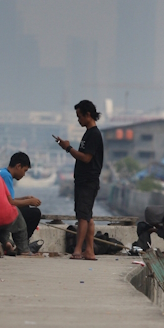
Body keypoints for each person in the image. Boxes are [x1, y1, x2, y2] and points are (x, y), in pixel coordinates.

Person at [54, 100, 104, 261]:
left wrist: (68, 148)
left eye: (79, 116)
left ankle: (78, 249)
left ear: (87, 115)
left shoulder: (94, 134)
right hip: (83, 180)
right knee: (87, 216)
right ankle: (89, 250)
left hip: (88, 181)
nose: (78, 120)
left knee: (83, 216)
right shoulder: (88, 133)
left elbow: (86, 158)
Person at [0, 151, 42, 244]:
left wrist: (25, 198)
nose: (24, 174)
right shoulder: (7, 176)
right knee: (35, 213)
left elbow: (6, 198)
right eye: (24, 170)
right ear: (18, 166)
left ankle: (18, 241)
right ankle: (22, 243)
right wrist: (29, 201)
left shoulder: (2, 172)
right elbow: (10, 203)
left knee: (25, 207)